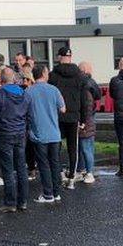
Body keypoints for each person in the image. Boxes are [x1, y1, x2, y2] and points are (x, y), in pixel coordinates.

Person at [0, 67, 29, 213]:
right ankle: (23, 201)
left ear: (2, 79)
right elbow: (28, 114)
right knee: (21, 167)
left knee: (8, 169)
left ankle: (10, 202)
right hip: (20, 133)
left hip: (5, 133)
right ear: (14, 79)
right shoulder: (23, 93)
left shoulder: (0, 94)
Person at [25, 64, 65, 203]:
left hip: (38, 134)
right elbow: (63, 109)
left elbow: (23, 110)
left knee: (44, 165)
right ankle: (56, 193)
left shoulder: (29, 91)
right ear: (43, 73)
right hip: (54, 133)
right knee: (55, 163)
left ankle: (47, 194)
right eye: (47, 72)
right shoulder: (54, 90)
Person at [48, 47, 85, 189]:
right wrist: (83, 118)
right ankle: (71, 179)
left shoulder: (53, 75)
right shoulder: (79, 75)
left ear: (59, 57)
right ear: (70, 57)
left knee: (56, 146)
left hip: (57, 115)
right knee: (73, 148)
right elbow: (83, 98)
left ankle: (59, 174)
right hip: (74, 115)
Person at [77, 61, 102, 184]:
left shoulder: (81, 85)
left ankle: (87, 171)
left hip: (84, 119)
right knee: (88, 146)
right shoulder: (90, 83)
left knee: (84, 146)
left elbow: (85, 105)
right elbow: (98, 96)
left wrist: (82, 121)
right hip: (89, 118)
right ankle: (87, 170)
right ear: (86, 70)